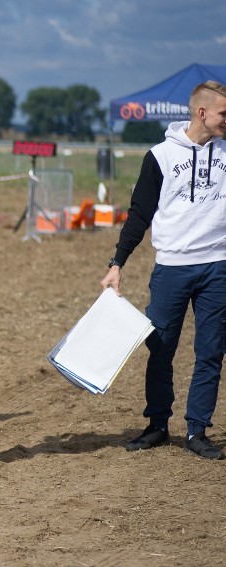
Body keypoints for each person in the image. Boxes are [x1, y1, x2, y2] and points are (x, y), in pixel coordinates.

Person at [101, 80, 226, 460]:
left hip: (218, 268)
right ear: (202, 112)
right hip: (171, 268)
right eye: (224, 113)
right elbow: (139, 215)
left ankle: (196, 430)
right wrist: (117, 263)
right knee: (160, 350)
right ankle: (157, 424)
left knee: (210, 352)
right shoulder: (160, 156)